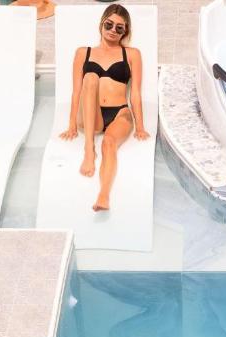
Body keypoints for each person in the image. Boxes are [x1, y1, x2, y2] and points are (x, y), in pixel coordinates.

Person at [59, 3, 149, 212]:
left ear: (125, 31)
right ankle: (88, 150)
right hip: (92, 115)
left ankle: (103, 196)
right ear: (101, 24)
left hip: (120, 113)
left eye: (120, 27)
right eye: (109, 24)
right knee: (90, 77)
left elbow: (135, 92)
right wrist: (72, 124)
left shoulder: (132, 54)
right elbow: (76, 91)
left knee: (109, 143)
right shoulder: (84, 52)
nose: (113, 31)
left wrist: (141, 126)